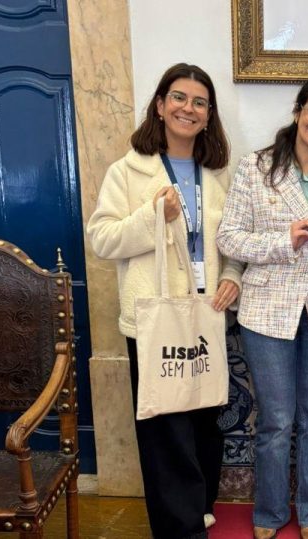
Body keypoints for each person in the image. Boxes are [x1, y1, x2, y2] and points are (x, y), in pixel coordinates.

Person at [87, 63, 242, 538]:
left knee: (205, 418)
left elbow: (231, 242)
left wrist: (232, 275)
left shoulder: (217, 174)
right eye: (178, 97)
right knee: (166, 428)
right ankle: (180, 529)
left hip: (206, 313)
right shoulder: (127, 170)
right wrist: (151, 215)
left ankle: (199, 507)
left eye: (199, 102)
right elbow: (102, 238)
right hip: (154, 319)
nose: (188, 108)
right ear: (159, 105)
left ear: (208, 114)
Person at [216, 78, 308, 539]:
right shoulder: (256, 167)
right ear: (298, 111)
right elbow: (229, 238)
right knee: (276, 420)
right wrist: (284, 241)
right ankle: (269, 513)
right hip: (266, 312)